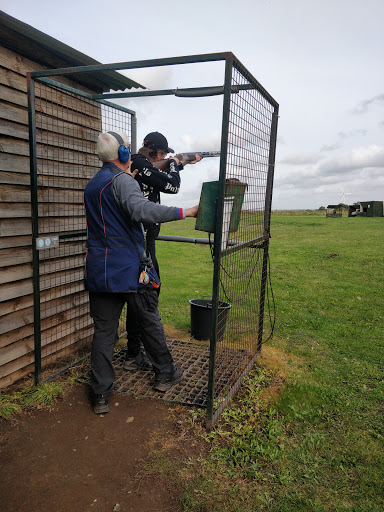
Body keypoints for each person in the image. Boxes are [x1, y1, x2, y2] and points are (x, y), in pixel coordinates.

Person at [83, 130, 198, 414]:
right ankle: (165, 373)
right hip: (131, 269)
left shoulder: (93, 184)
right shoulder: (123, 182)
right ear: (123, 154)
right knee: (149, 321)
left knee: (104, 333)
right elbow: (142, 211)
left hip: (100, 270)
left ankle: (100, 395)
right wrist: (187, 212)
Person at [123, 132, 202, 371]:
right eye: (165, 154)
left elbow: (161, 178)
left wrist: (179, 164)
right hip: (140, 244)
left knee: (142, 298)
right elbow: (172, 186)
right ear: (157, 153)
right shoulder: (138, 163)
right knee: (147, 298)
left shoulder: (142, 165)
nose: (166, 157)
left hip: (144, 241)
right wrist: (176, 165)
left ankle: (134, 352)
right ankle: (140, 355)